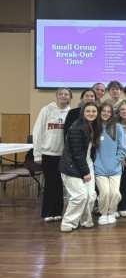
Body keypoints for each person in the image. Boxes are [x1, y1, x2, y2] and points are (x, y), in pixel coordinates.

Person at [58, 102, 101, 232]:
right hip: (72, 166)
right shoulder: (77, 128)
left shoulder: (93, 126)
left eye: (94, 111)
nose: (91, 113)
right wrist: (85, 172)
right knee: (80, 196)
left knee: (91, 195)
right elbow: (77, 154)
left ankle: (86, 220)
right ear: (83, 113)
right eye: (88, 111)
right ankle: (68, 222)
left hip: (87, 163)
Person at [33, 88, 72, 222]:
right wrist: (37, 154)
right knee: (50, 183)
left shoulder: (71, 113)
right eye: (61, 94)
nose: (63, 96)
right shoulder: (46, 110)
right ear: (56, 96)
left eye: (66, 94)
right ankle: (47, 213)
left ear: (70, 97)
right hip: (48, 153)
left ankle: (58, 212)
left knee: (60, 184)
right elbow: (37, 132)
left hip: (63, 155)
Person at [94, 103, 126, 225]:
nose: (106, 113)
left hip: (115, 167)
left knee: (115, 193)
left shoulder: (117, 127)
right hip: (99, 167)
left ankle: (111, 212)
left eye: (108, 111)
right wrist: (96, 163)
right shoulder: (95, 127)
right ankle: (103, 213)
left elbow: (123, 148)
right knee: (105, 193)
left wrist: (116, 160)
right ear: (99, 112)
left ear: (112, 114)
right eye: (103, 111)